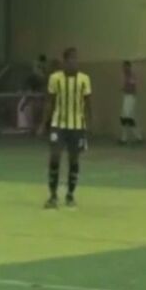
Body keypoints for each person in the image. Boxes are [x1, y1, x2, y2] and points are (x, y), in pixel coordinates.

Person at [37, 47, 92, 209]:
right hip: (58, 124)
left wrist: (89, 124)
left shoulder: (84, 79)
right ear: (65, 62)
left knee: (74, 159)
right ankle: (53, 196)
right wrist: (43, 123)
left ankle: (70, 195)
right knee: (55, 156)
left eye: (76, 59)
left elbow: (88, 103)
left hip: (77, 125)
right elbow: (49, 102)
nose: (74, 62)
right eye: (71, 60)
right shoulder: (55, 78)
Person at [119, 61, 144, 146]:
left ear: (128, 67)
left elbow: (133, 88)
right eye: (123, 67)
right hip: (126, 97)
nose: (124, 69)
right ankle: (132, 138)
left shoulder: (131, 76)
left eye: (125, 67)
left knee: (127, 119)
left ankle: (133, 138)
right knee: (126, 119)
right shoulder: (125, 76)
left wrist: (125, 89)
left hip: (130, 98)